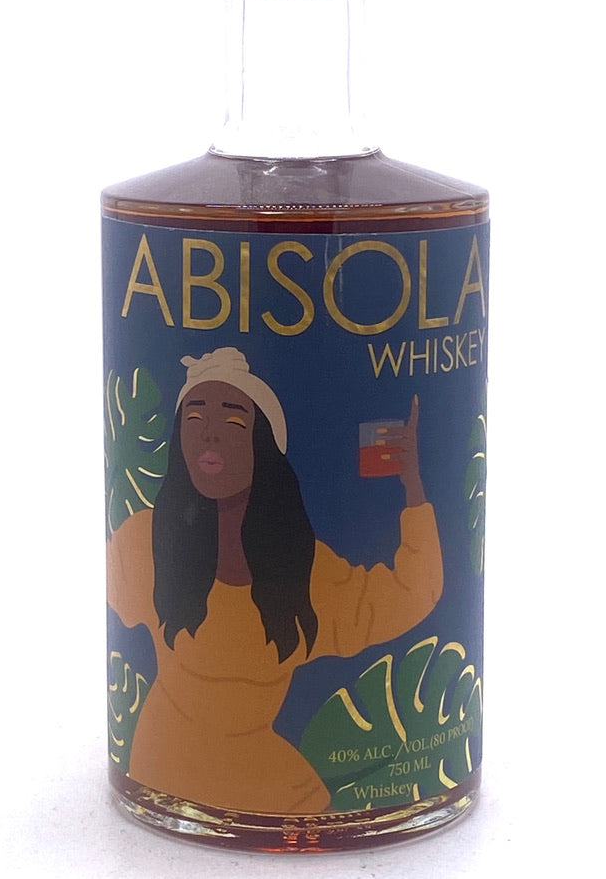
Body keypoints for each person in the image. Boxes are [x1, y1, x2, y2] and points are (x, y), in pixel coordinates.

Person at [106, 347, 443, 814]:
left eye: (233, 420)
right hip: (162, 768)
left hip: (270, 787)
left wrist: (413, 487)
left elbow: (410, 594)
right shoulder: (147, 541)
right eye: (194, 417)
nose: (209, 433)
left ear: (263, 445)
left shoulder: (307, 570)